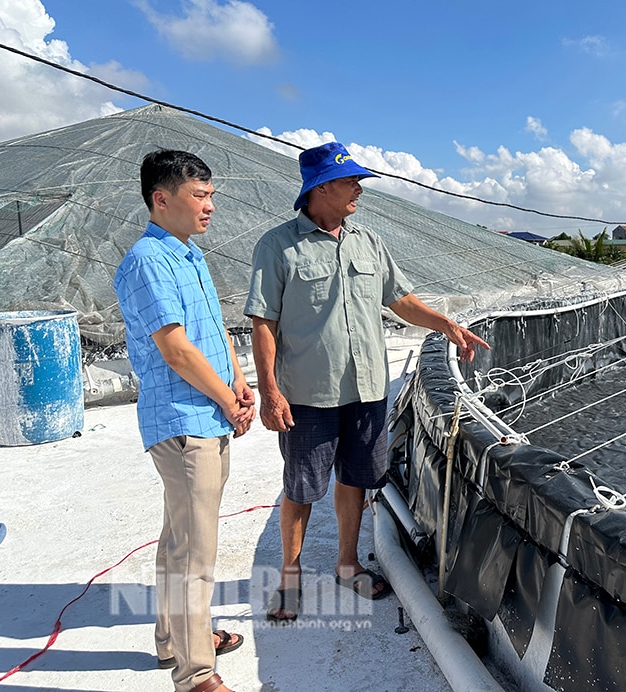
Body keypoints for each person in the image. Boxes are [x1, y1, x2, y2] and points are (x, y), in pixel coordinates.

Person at [245, 141, 489, 622]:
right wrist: (269, 390)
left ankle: (347, 563)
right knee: (300, 487)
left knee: (355, 479)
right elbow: (263, 322)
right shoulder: (277, 246)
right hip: (309, 395)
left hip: (367, 390)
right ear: (320, 187)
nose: (359, 188)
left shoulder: (368, 242)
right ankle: (290, 578)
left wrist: (446, 324)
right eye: (349, 180)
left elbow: (399, 299)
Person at [114, 150, 256, 692]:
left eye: (211, 195)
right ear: (161, 198)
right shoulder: (148, 260)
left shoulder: (190, 256)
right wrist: (225, 399)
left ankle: (174, 640)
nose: (210, 205)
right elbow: (174, 349)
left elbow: (214, 329)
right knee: (196, 550)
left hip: (208, 411)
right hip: (183, 419)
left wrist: (240, 382)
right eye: (200, 195)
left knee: (180, 536)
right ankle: (196, 674)